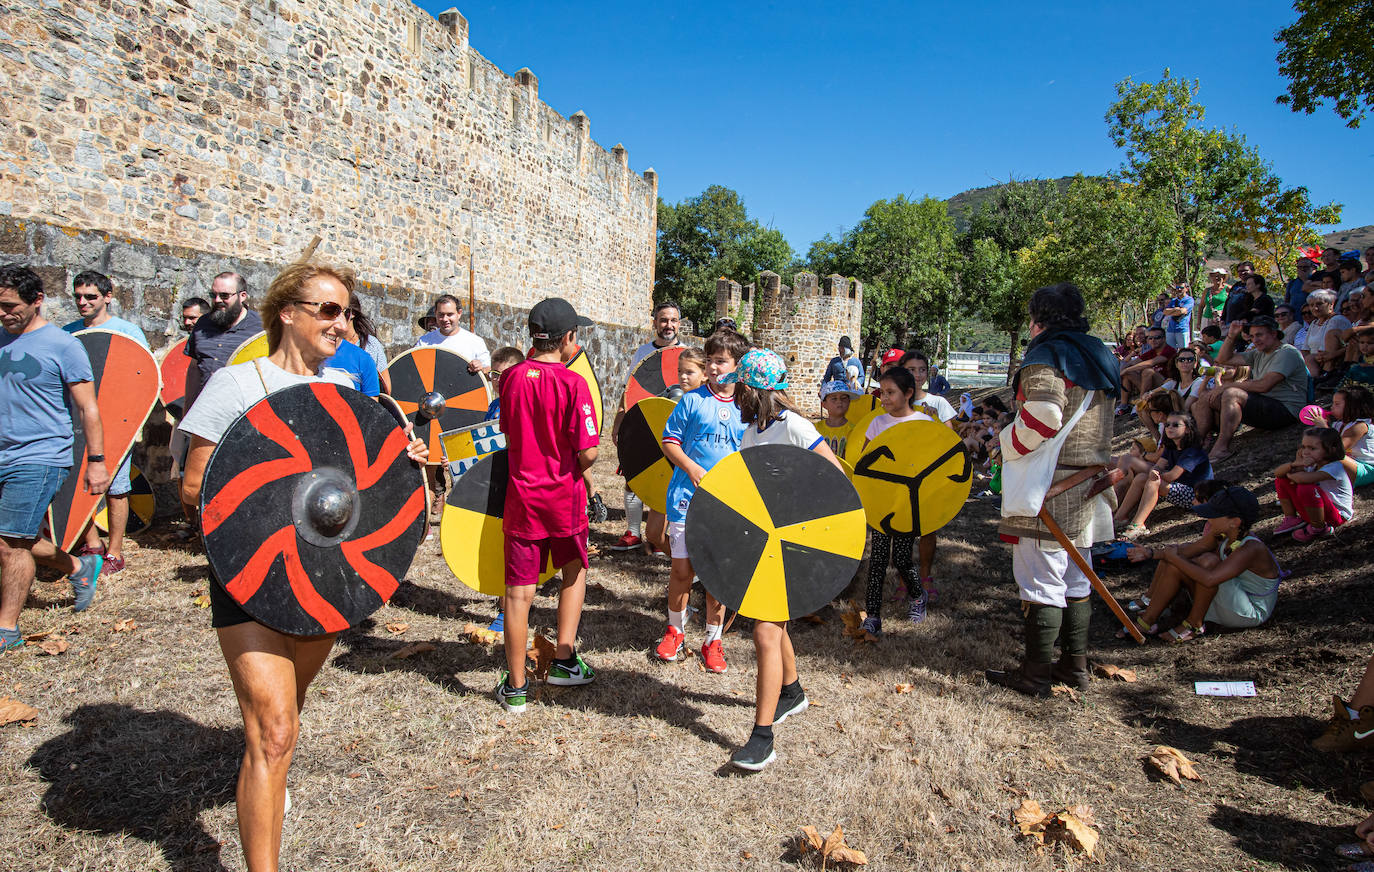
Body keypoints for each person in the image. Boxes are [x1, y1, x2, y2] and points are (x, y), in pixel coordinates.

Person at [178, 260, 427, 871]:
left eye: (348, 312)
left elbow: (357, 487)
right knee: (275, 730)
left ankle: (266, 767)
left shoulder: (342, 391)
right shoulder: (238, 385)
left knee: (288, 706)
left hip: (325, 577)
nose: (342, 324)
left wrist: (400, 463)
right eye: (329, 310)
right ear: (287, 313)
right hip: (253, 572)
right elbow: (191, 487)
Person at [985, 282, 1119, 696]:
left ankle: (1036, 676)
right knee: (1078, 579)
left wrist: (1005, 442)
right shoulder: (1101, 354)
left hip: (1052, 483)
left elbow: (1043, 415)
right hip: (1088, 483)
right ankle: (1073, 668)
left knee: (1042, 581)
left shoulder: (1047, 351)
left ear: (1037, 319)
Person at [724, 348, 844, 771]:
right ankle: (791, 691)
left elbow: (836, 477)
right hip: (767, 540)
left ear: (754, 389)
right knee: (771, 626)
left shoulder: (794, 425)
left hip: (796, 542)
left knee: (764, 631)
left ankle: (762, 739)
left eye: (740, 385)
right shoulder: (754, 430)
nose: (734, 392)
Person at [491, 298, 600, 713]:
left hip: (522, 498)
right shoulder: (575, 383)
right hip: (564, 499)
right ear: (569, 338)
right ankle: (564, 663)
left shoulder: (512, 377)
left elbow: (509, 432)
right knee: (573, 573)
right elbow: (588, 453)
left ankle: (516, 688)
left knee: (519, 594)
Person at [0, 264, 107, 652]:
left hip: (40, 454)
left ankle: (7, 630)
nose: (2, 312)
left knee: (12, 544)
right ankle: (77, 567)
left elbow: (88, 408)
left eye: (10, 305)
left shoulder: (63, 345)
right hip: (2, 450)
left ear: (37, 301)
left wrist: (97, 460)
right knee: (16, 538)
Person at [655, 327, 749, 673]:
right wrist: (692, 468)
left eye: (720, 361)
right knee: (681, 570)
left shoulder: (747, 408)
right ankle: (674, 632)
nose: (712, 368)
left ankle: (713, 639)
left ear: (738, 366)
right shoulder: (691, 400)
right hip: (685, 498)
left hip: (727, 505)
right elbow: (669, 442)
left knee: (716, 575)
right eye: (709, 361)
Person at [61, 270, 150, 572]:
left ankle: (115, 550)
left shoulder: (128, 332)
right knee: (78, 483)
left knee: (117, 487)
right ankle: (92, 542)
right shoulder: (68, 332)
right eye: (78, 297)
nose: (83, 303)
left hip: (116, 422)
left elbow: (144, 378)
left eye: (90, 297)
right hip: (76, 421)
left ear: (107, 297)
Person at [1122, 485, 1280, 642]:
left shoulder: (1251, 548)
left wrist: (1174, 557)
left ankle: (1193, 625)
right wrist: (1151, 553)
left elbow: (1210, 579)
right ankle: (1146, 622)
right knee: (1177, 564)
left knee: (1207, 562)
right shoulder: (1223, 533)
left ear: (1235, 522)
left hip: (1248, 612)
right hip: (1229, 600)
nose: (1209, 519)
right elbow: (1188, 550)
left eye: (1214, 515)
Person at [857, 366, 936, 637]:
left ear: (909, 393)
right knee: (877, 559)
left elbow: (933, 463)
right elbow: (867, 461)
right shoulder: (878, 423)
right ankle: (873, 616)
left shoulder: (925, 423)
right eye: (882, 393)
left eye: (891, 393)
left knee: (902, 557)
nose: (885, 398)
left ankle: (917, 596)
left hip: (909, 503)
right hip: (883, 501)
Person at [609, 300, 682, 552]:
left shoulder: (688, 353)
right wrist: (620, 418)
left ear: (679, 323)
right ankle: (632, 532)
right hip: (645, 422)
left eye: (673, 320)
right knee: (634, 474)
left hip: (678, 427)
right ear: (655, 323)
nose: (668, 325)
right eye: (663, 320)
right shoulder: (642, 353)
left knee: (672, 479)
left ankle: (668, 535)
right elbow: (631, 388)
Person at [1194, 317, 1307, 463]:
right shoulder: (1259, 353)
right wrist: (1231, 336)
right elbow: (1224, 359)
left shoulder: (1286, 353)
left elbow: (1264, 386)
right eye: (1252, 336)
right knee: (1206, 397)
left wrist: (1228, 385)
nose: (1255, 340)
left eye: (1259, 335)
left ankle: (1221, 448)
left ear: (1274, 334)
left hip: (1287, 410)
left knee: (1231, 394)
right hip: (1265, 405)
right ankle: (1194, 447)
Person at [639, 348, 710, 558]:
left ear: (704, 373)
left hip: (694, 479)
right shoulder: (673, 398)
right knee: (653, 533)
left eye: (689, 372)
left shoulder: (709, 404)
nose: (683, 377)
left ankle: (694, 571)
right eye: (680, 371)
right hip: (669, 475)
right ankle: (691, 567)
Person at [900, 350, 958, 605]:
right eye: (911, 369)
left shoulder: (939, 403)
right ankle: (905, 579)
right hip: (901, 474)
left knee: (928, 527)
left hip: (930, 474)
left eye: (921, 369)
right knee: (902, 529)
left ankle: (925, 577)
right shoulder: (896, 400)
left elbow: (950, 441)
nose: (917, 374)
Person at [1113, 412, 1211, 539]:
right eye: (1167, 424)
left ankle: (1138, 525)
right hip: (1178, 488)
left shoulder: (1193, 452)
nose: (1170, 427)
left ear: (1187, 429)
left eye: (1176, 425)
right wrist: (1155, 471)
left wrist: (1155, 474)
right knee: (1141, 478)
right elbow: (1158, 465)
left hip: (1197, 495)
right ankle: (1119, 518)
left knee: (1153, 481)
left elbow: (1172, 476)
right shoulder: (1171, 448)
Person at [184, 271, 263, 412]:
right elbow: (194, 368)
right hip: (203, 410)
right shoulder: (202, 324)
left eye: (224, 295)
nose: (217, 300)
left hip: (240, 414)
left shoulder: (261, 329)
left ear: (242, 296)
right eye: (213, 295)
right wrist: (188, 409)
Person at [1273, 426, 1354, 542]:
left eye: (1312, 448)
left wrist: (1291, 473)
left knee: (1306, 488)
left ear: (1331, 449)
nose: (1305, 452)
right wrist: (1294, 464)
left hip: (1336, 516)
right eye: (1304, 447)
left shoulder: (1335, 467)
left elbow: (1304, 479)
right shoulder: (1313, 464)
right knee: (1281, 480)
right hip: (1314, 511)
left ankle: (1319, 528)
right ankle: (1291, 518)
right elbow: (1278, 473)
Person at [413, 294, 490, 372]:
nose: (445, 319)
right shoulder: (424, 341)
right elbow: (412, 367)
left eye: (450, 314)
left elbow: (489, 373)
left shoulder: (475, 342)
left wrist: (481, 367)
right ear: (436, 313)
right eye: (441, 314)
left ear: (459, 313)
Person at [1117, 326, 1175, 413]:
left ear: (1164, 338)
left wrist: (1127, 369)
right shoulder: (1152, 351)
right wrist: (1121, 371)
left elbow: (1150, 363)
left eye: (1157, 337)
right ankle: (1124, 405)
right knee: (1127, 374)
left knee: (1147, 371)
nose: (1153, 340)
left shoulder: (1169, 350)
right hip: (1152, 386)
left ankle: (1141, 402)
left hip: (1167, 384)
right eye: (1150, 338)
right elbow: (1133, 362)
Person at [816, 379, 861, 458]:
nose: (839, 401)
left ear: (849, 402)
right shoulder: (815, 429)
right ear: (824, 404)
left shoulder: (854, 431)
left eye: (843, 398)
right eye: (834, 398)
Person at [1163, 284, 1194, 349]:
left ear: (1186, 289)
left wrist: (1172, 312)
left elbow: (1182, 311)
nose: (1179, 289)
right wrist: (1176, 309)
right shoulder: (1174, 300)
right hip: (1170, 329)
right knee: (1170, 351)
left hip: (1182, 329)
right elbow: (1165, 312)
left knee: (1184, 350)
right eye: (1177, 288)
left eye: (1181, 288)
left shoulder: (1189, 300)